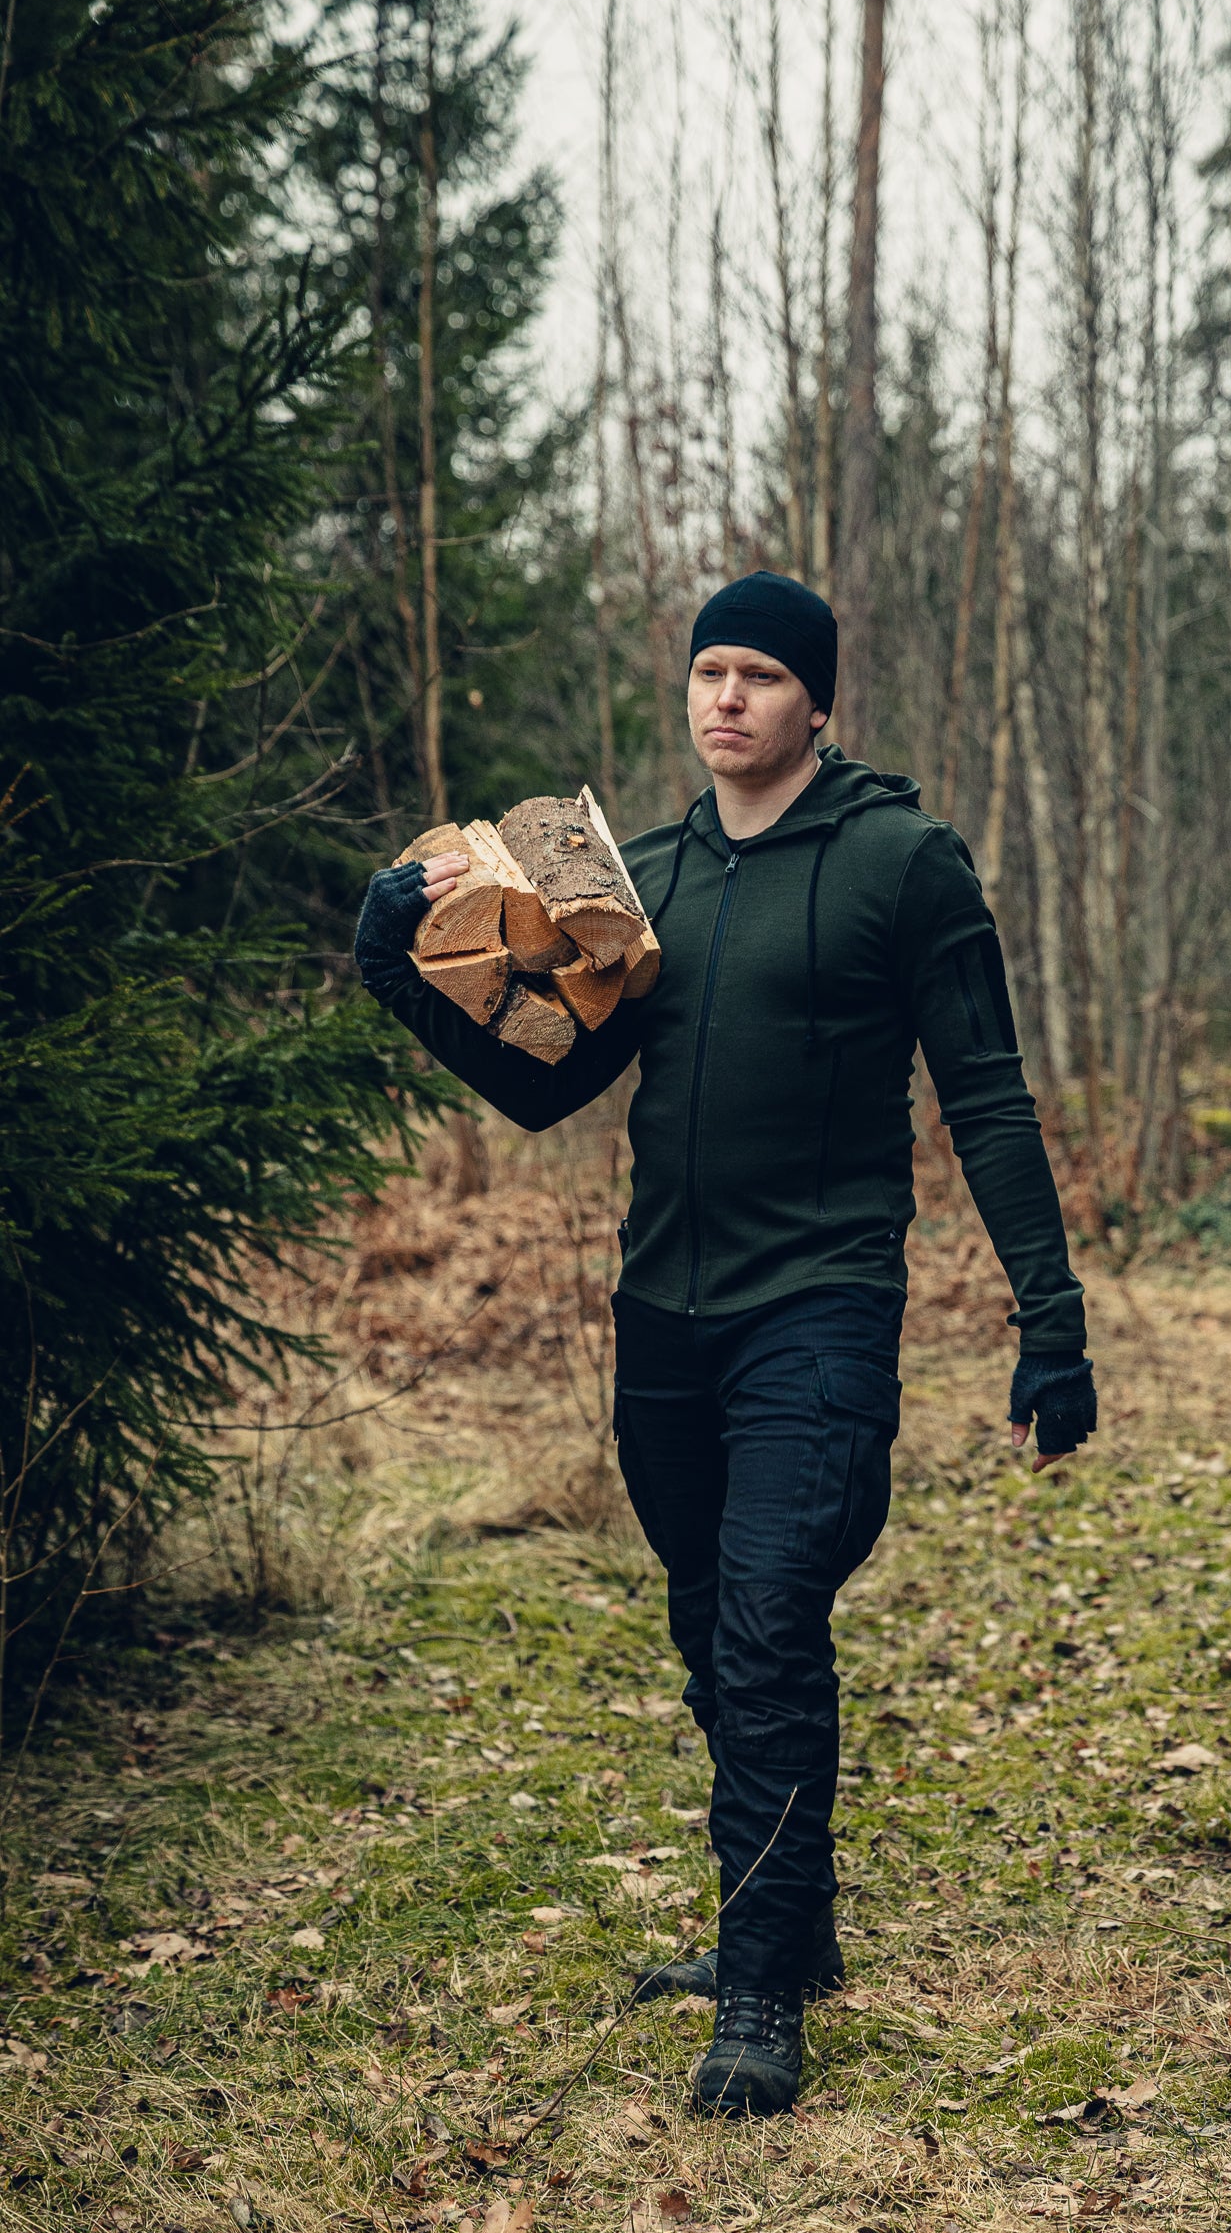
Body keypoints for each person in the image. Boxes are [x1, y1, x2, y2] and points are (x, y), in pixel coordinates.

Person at [354, 569, 1096, 2117]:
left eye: (761, 673)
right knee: (714, 1634)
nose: (728, 697)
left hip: (819, 1310)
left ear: (816, 702)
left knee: (768, 1621)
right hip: (665, 1324)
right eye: (709, 671)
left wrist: (1053, 1321)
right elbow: (553, 1087)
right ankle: (796, 1927)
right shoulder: (647, 887)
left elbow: (990, 1100)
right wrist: (391, 969)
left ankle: (757, 1992)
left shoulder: (904, 862)